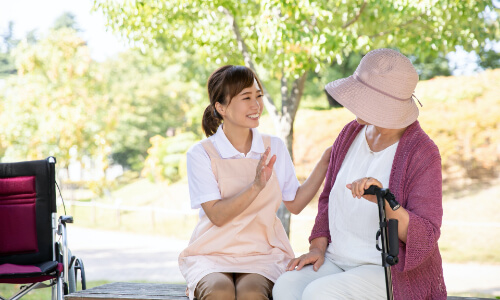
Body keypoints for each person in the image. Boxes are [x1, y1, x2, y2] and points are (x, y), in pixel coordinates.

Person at [272, 48, 447, 299]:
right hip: (337, 259)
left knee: (319, 294)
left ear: (385, 105)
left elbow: (426, 237)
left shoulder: (422, 152)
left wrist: (384, 201)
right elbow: (326, 200)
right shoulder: (349, 134)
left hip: (387, 272)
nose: (352, 103)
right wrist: (318, 248)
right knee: (286, 286)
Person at [178, 65, 331, 300]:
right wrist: (256, 186)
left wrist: (325, 160)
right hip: (211, 253)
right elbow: (217, 216)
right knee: (219, 292)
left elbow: (296, 203)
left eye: (258, 95)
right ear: (221, 107)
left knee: (251, 294)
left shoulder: (274, 146)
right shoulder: (202, 154)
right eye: (246, 97)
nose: (256, 105)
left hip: (263, 253)